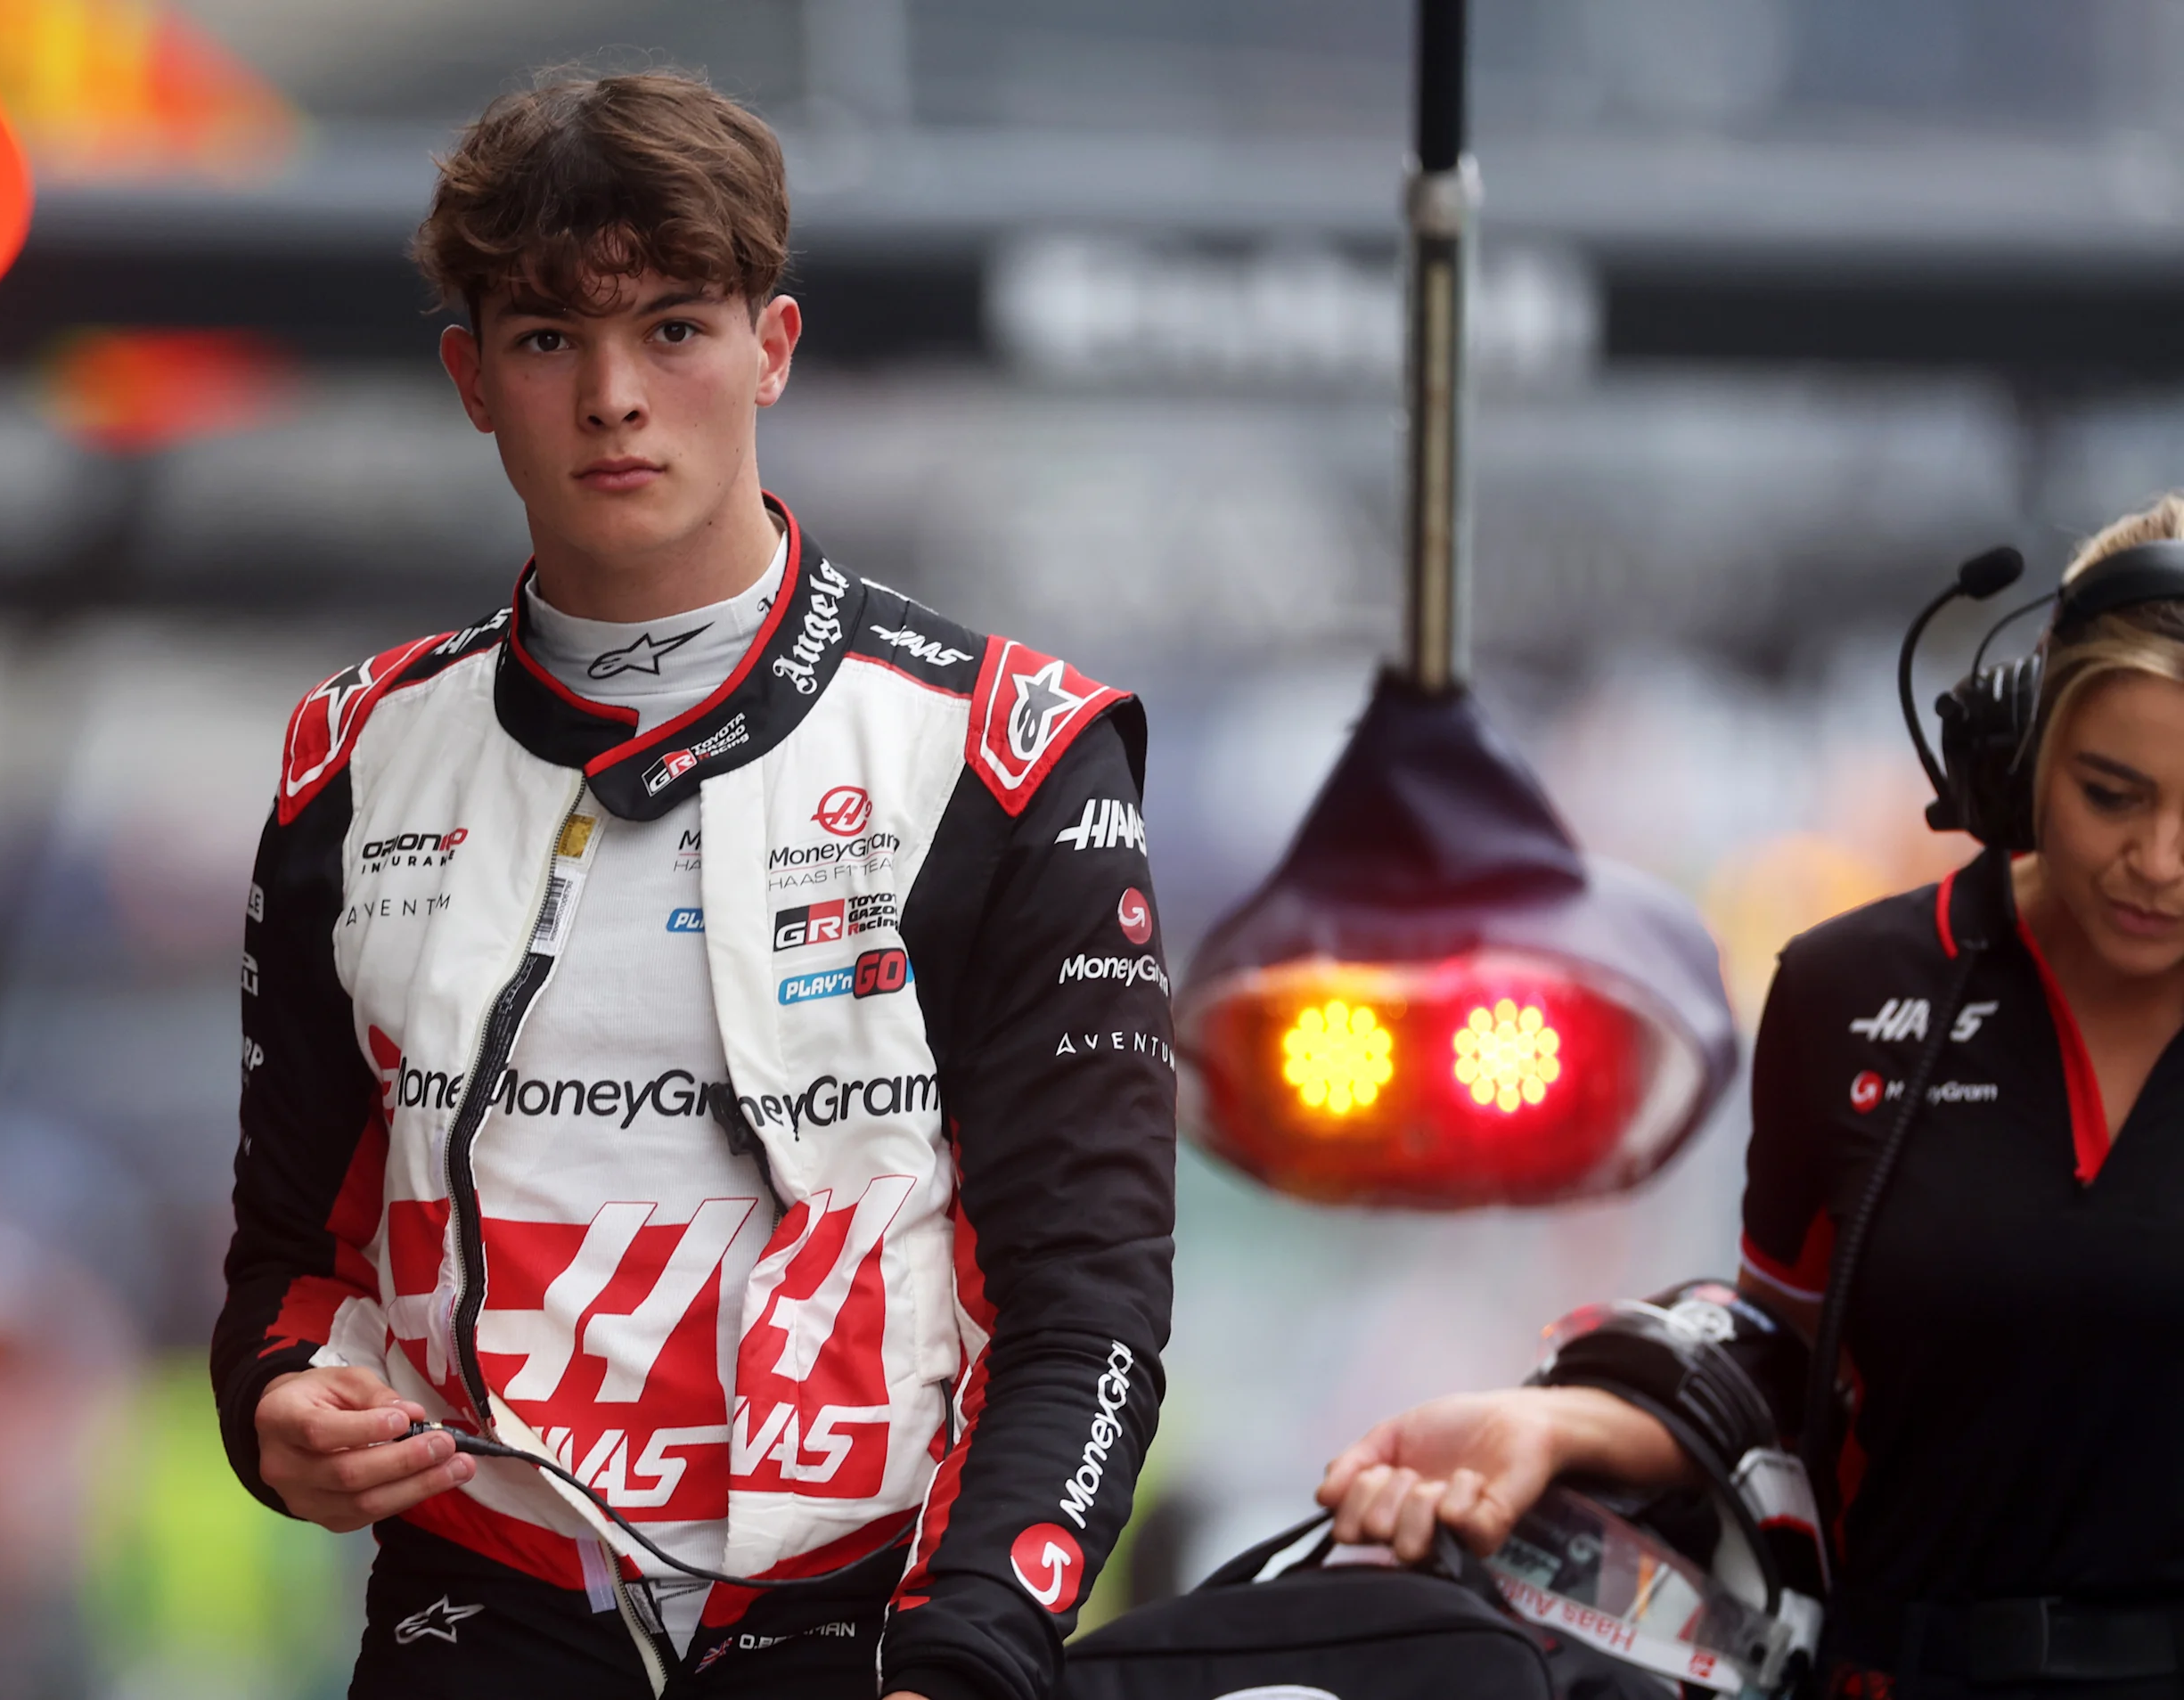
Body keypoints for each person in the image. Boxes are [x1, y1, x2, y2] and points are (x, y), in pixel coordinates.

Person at [209, 68, 1177, 1700]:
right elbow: (287, 1252)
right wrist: (276, 1405)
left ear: (772, 351)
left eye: (674, 328)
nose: (611, 398)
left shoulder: (1007, 753)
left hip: (868, 1605)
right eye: (544, 339)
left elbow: (1086, 1305)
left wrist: (977, 1647)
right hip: (486, 1590)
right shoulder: (351, 758)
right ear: (470, 378)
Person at [1318, 494, 2184, 1698]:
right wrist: (1566, 1425)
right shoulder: (1848, 988)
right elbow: (1791, 1357)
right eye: (2113, 794)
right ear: (2019, 757)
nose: (2160, 861)